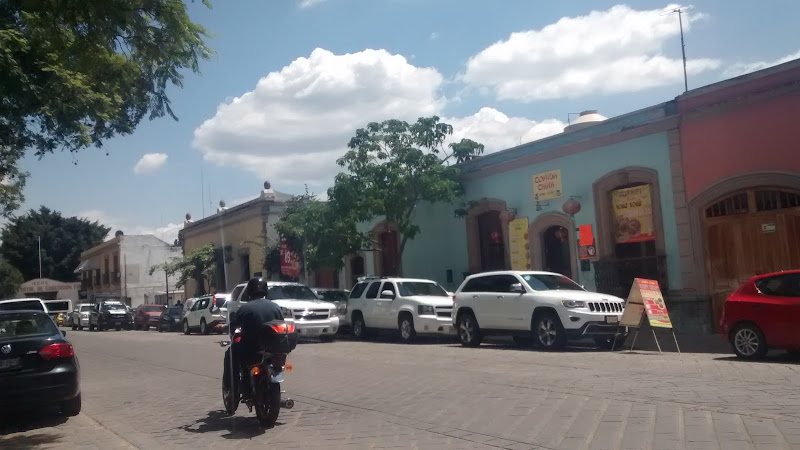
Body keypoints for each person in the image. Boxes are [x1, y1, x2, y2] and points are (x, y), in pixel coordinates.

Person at [223, 277, 284, 400]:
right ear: (265, 291)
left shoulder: (245, 309)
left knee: (230, 355)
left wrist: (223, 327)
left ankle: (232, 389)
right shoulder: (275, 307)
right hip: (272, 348)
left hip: (251, 349)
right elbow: (281, 323)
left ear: (249, 291)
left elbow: (233, 327)